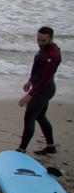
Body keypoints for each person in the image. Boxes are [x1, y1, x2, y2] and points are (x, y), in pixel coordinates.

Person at [19, 26, 61, 155]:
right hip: (39, 86)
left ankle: (21, 150)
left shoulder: (52, 55)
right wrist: (30, 81)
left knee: (29, 117)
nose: (40, 43)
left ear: (51, 38)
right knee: (41, 116)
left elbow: (45, 79)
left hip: (44, 89)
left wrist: (29, 95)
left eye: (43, 40)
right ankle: (50, 146)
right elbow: (38, 69)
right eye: (38, 40)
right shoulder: (43, 49)